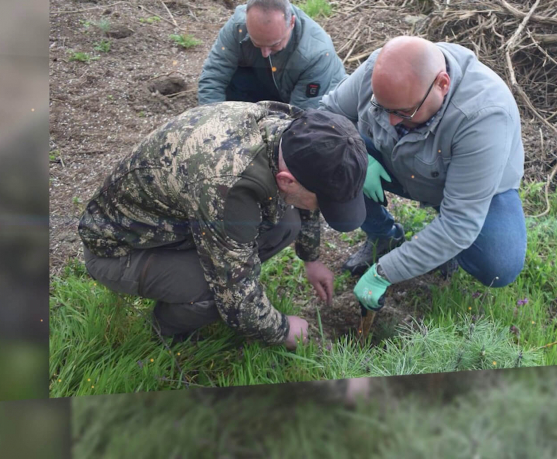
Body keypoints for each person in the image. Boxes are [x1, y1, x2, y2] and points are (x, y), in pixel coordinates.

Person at [77, 101, 368, 350]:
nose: (319, 210)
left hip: (180, 222)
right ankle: (164, 330)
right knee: (218, 296)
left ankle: (224, 264)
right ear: (286, 180)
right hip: (120, 247)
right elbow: (235, 301)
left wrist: (311, 258)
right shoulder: (227, 184)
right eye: (321, 203)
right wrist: (283, 330)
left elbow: (307, 193)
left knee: (287, 223)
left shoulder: (291, 131)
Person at [319, 36, 527, 312]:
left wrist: (384, 273)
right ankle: (384, 236)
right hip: (397, 161)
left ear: (442, 84)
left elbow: (459, 223)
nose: (391, 120)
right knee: (329, 156)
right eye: (383, 108)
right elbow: (324, 118)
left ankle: (443, 251)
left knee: (499, 265)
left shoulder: (485, 116)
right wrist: (361, 158)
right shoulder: (378, 71)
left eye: (404, 111)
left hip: (467, 185)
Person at [197, 0, 347, 110]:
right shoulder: (238, 27)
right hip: (269, 83)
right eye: (257, 43)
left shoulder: (317, 53)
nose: (265, 53)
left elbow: (303, 118)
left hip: (314, 100)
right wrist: (212, 124)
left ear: (292, 23)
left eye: (274, 44)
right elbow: (213, 77)